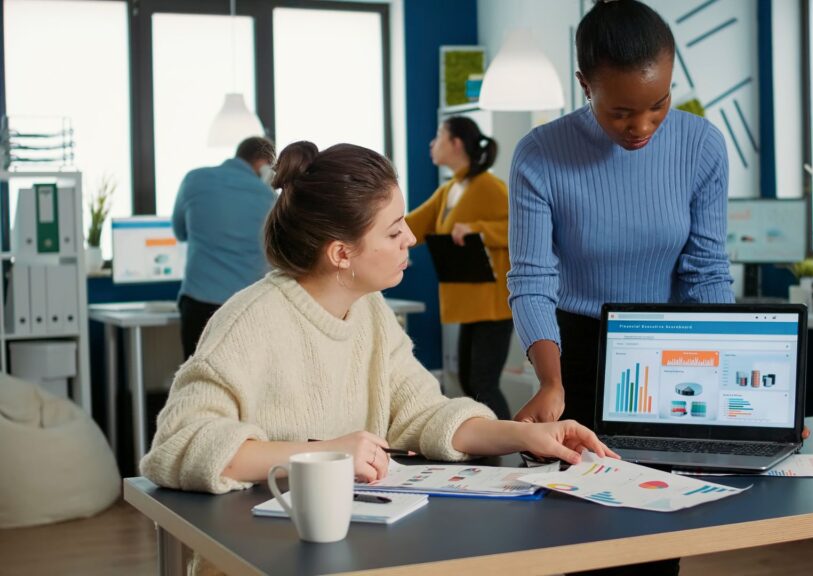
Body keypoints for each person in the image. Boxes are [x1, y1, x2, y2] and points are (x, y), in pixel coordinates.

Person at [142, 140, 615, 493]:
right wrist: (324, 456)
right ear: (341, 253)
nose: (410, 238)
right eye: (393, 232)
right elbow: (178, 444)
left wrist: (526, 435)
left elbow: (424, 413)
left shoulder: (370, 312)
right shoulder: (248, 322)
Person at [508, 0, 734, 430]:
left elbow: (706, 274)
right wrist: (550, 383)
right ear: (586, 86)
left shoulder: (702, 145)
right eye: (622, 113)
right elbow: (532, 281)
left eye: (659, 104)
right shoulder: (539, 155)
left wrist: (734, 386)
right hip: (576, 354)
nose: (643, 126)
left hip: (677, 350)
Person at [406, 117, 514, 418]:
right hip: (472, 306)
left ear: (455, 144)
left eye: (438, 135)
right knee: (469, 382)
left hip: (493, 308)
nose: (432, 143)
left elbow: (522, 228)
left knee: (482, 383)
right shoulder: (451, 189)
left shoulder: (489, 187)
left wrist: (477, 228)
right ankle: (491, 451)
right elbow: (412, 226)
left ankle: (513, 446)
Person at [171, 136, 278, 360]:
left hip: (197, 304)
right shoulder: (269, 198)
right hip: (249, 307)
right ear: (264, 165)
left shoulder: (194, 180)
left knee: (196, 381)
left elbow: (180, 232)